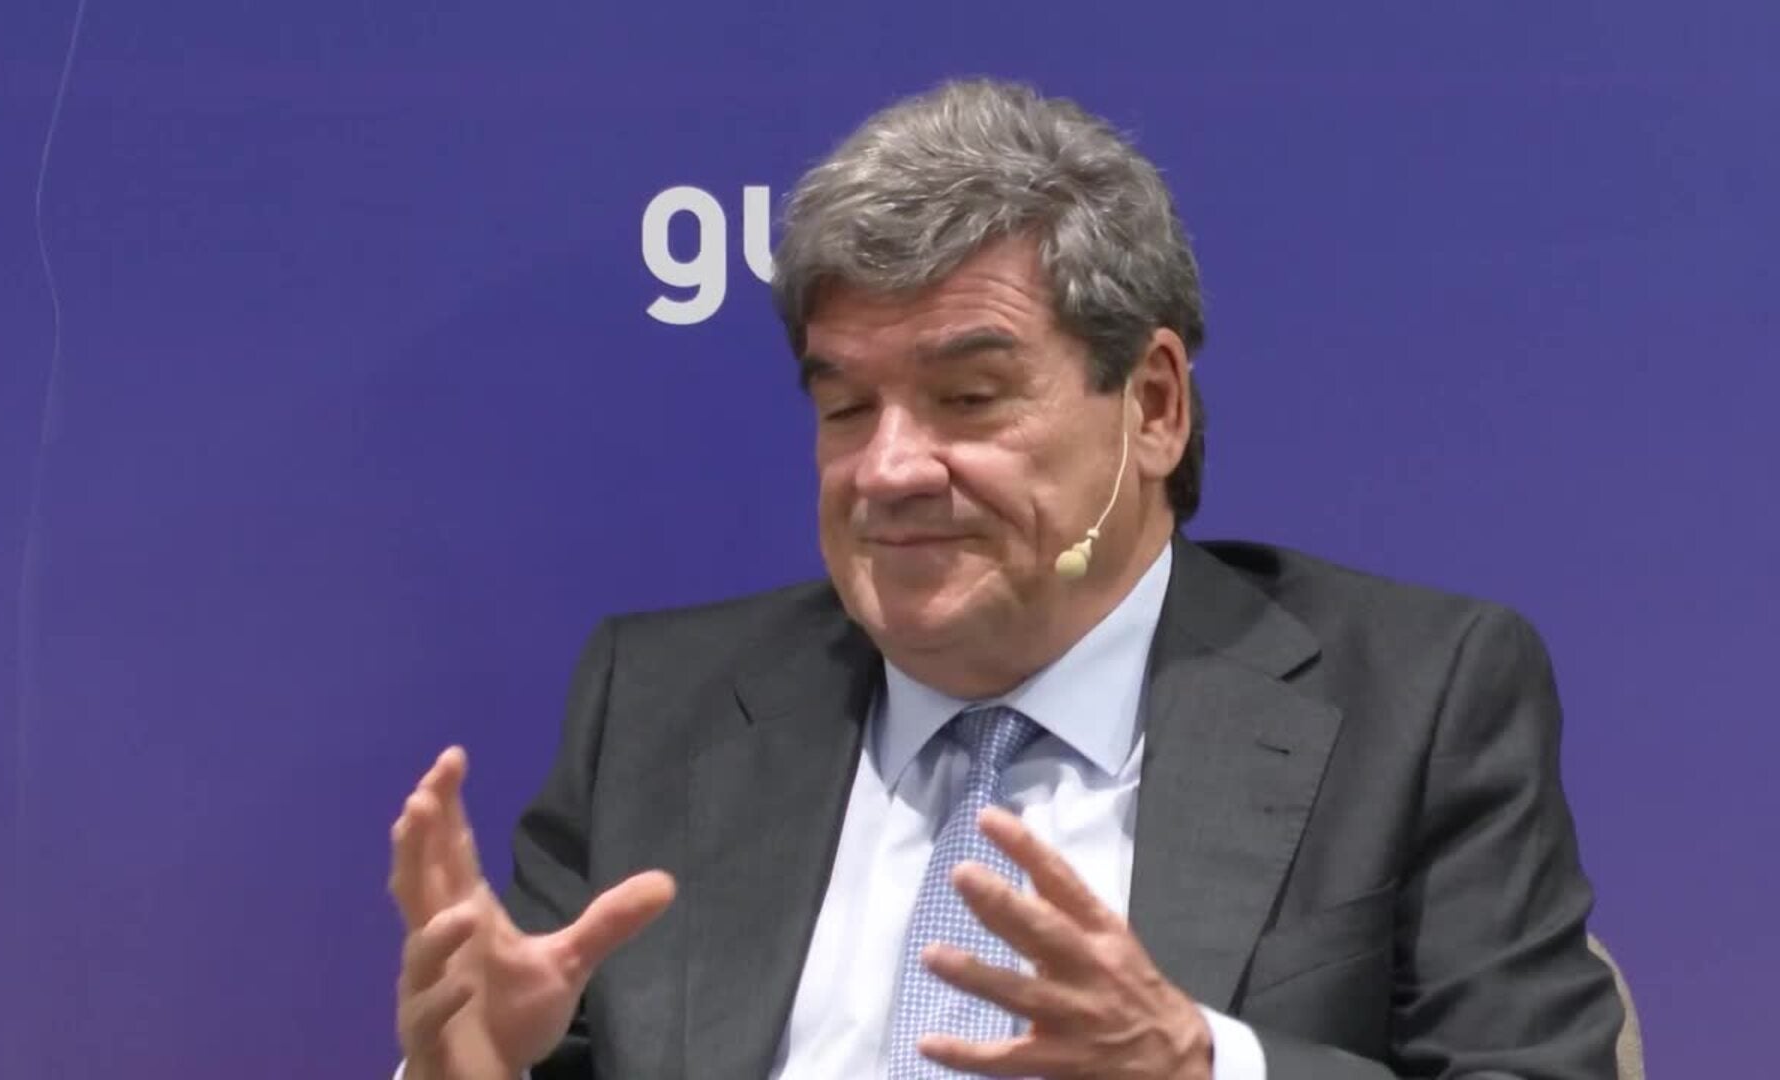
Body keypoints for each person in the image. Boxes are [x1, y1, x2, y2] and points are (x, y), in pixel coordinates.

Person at [386, 78, 1624, 1079]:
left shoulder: (1416, 701)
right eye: (845, 408)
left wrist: (1202, 1069)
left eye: (968, 399)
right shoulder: (660, 705)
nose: (888, 470)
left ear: (1152, 406)